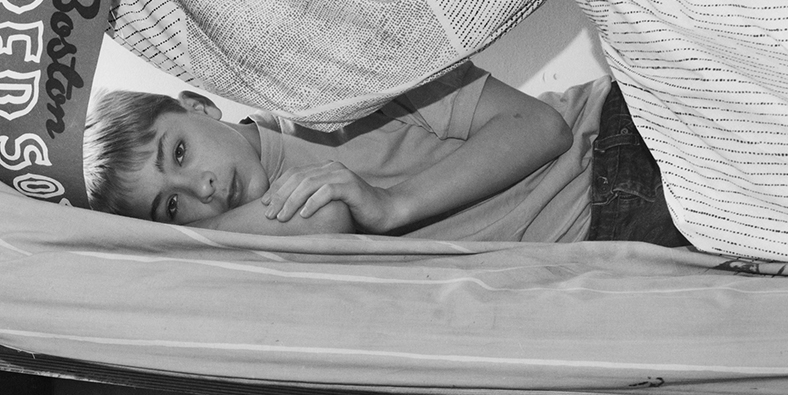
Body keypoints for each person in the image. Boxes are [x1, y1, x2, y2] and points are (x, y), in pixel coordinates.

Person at [82, 63, 690, 247]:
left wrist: (391, 204)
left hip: (614, 153)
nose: (201, 190)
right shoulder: (257, 241)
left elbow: (540, 126)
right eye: (169, 206)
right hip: (603, 238)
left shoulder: (317, 85)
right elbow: (322, 219)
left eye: (180, 152)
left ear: (200, 105)